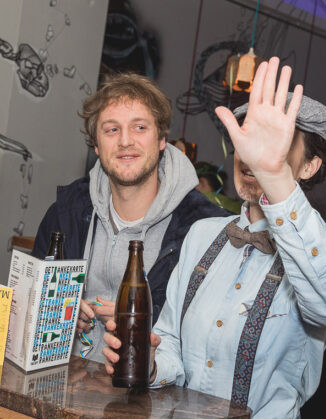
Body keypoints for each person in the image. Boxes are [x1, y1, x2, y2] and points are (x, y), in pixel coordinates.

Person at [103, 58, 326, 419]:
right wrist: (152, 364)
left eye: (276, 142)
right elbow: (170, 339)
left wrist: (274, 177)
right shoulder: (202, 234)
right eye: (249, 137)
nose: (253, 153)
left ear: (309, 166)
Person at [31, 73, 228, 362]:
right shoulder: (66, 212)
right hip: (65, 375)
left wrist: (142, 320)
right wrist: (60, 316)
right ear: (96, 145)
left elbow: (214, 336)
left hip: (151, 385)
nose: (125, 141)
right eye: (112, 129)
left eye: (139, 127)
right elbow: (29, 304)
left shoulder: (203, 228)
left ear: (161, 139)